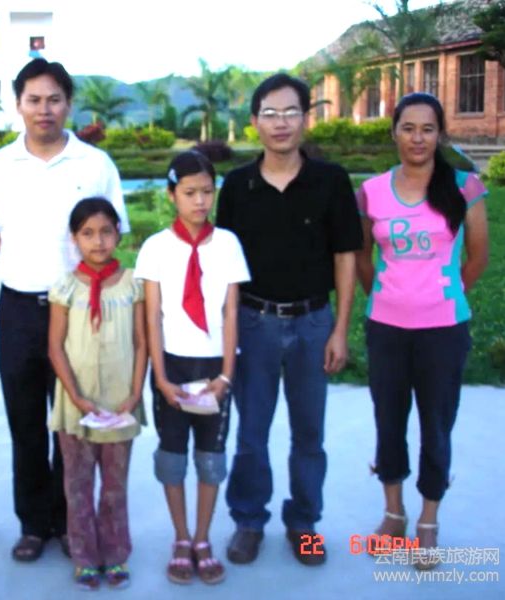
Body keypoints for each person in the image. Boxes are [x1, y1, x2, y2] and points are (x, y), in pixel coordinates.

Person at [0, 58, 129, 562]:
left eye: (54, 99)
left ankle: (68, 522)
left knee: (72, 425)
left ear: (68, 104)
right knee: (25, 424)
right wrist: (27, 266)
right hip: (19, 310)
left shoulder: (95, 164)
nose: (44, 109)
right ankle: (33, 525)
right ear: (18, 104)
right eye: (34, 100)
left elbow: (112, 232)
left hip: (80, 313)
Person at [216, 73, 363, 566]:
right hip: (254, 322)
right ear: (255, 121)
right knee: (251, 433)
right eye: (270, 114)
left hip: (312, 323)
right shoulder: (238, 185)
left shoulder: (331, 181)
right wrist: (228, 334)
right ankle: (248, 521)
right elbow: (225, 265)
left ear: (306, 118)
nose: (281, 123)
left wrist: (340, 330)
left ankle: (304, 523)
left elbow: (345, 256)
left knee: (309, 435)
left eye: (291, 112)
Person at [356, 93, 489, 569]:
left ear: (440, 134)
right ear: (393, 132)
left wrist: (442, 295)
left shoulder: (464, 187)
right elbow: (361, 258)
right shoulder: (371, 191)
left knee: (436, 425)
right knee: (388, 421)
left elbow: (478, 256)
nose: (417, 138)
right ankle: (393, 515)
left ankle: (428, 521)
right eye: (408, 128)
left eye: (428, 129)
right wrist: (385, 296)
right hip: (386, 329)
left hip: (443, 331)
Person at [135, 151, 249, 585]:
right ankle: (180, 537)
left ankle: (203, 538)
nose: (200, 201)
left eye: (206, 191)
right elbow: (152, 317)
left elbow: (231, 312)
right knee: (172, 456)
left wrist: (226, 376)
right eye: (189, 193)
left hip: (214, 367)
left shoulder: (228, 244)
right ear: (172, 195)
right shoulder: (156, 248)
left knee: (211, 457)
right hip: (172, 366)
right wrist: (161, 378)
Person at [48, 198, 147, 590]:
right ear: (74, 238)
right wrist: (76, 397)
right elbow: (55, 347)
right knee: (77, 485)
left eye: (106, 231)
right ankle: (84, 557)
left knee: (114, 486)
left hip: (121, 403)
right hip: (77, 405)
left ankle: (116, 554)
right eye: (87, 233)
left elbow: (141, 342)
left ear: (118, 233)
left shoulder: (132, 284)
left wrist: (135, 393)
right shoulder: (66, 287)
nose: (98, 241)